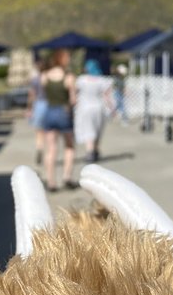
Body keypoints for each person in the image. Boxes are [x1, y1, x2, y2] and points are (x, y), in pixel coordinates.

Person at [40, 49, 76, 191]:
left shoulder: (44, 76)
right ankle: (67, 177)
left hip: (49, 111)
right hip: (63, 111)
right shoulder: (69, 77)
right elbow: (73, 99)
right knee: (69, 146)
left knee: (51, 148)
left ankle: (51, 182)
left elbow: (43, 95)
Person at [74, 59, 113, 163]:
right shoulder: (102, 80)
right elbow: (107, 96)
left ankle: (90, 151)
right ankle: (95, 150)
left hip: (85, 107)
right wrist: (112, 108)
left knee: (88, 130)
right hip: (98, 107)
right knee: (97, 130)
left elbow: (75, 93)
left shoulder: (81, 80)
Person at [27, 57, 48, 167]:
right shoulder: (50, 79)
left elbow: (32, 95)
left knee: (39, 132)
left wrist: (29, 108)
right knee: (49, 132)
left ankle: (40, 148)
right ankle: (48, 154)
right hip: (50, 106)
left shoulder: (35, 80)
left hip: (39, 105)